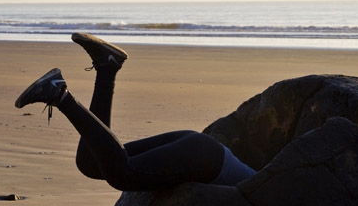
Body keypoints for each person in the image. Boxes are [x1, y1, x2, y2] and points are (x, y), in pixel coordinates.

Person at [15, 33, 256, 191]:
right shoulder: (282, 201)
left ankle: (107, 66)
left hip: (201, 151)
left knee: (90, 163)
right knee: (123, 174)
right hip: (206, 159)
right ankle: (59, 95)